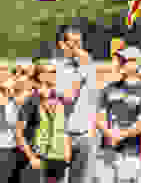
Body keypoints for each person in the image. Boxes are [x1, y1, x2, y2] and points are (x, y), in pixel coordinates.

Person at [95, 46, 141, 183]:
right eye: (120, 60)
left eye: (124, 60)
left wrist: (121, 135)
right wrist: (109, 134)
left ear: (136, 64)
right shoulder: (108, 89)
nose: (120, 63)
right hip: (107, 151)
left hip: (132, 153)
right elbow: (99, 118)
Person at [15, 59, 73, 183]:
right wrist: (31, 157)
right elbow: (19, 134)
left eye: (55, 72)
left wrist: (67, 151)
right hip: (39, 159)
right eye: (50, 72)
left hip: (59, 159)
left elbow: (64, 127)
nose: (54, 75)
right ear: (40, 76)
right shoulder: (31, 101)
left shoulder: (60, 99)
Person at [54, 24, 99, 183]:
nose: (78, 49)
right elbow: (69, 97)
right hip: (61, 135)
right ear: (62, 44)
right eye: (73, 44)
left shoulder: (89, 67)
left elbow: (95, 99)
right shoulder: (57, 68)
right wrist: (83, 71)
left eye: (80, 44)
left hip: (84, 136)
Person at [0, 76, 25, 183]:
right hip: (4, 148)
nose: (14, 92)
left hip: (13, 148)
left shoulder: (14, 104)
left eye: (15, 89)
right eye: (11, 89)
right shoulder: (8, 105)